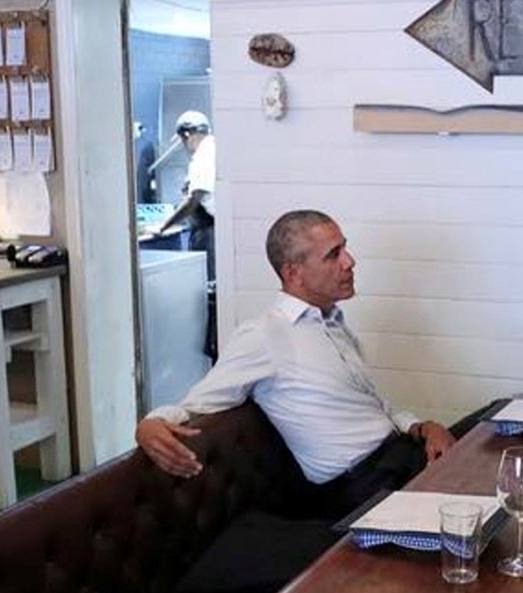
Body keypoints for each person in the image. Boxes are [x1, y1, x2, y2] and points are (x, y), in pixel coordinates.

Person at [135, 209, 457, 513]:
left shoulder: (332, 324)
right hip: (365, 488)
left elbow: (375, 410)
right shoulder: (264, 336)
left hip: (401, 454)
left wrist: (421, 427)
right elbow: (197, 403)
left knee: (498, 423)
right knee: (490, 478)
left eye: (345, 249)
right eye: (333, 255)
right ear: (293, 272)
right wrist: (150, 423)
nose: (349, 262)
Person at [148, 110, 216, 278]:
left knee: (208, 285)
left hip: (209, 231)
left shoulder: (203, 156)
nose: (184, 146)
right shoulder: (214, 147)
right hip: (211, 229)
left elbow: (193, 201)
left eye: (183, 140)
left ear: (188, 135)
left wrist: (163, 226)